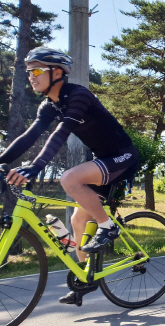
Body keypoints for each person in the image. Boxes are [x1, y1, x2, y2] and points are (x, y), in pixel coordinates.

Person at [0, 47, 139, 304]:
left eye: (38, 70)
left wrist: (36, 166)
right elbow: (29, 136)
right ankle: (86, 278)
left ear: (58, 72)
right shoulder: (49, 105)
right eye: (29, 71)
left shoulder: (78, 95)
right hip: (102, 161)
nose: (32, 76)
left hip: (123, 155)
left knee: (68, 178)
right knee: (77, 222)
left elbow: (61, 133)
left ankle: (108, 228)